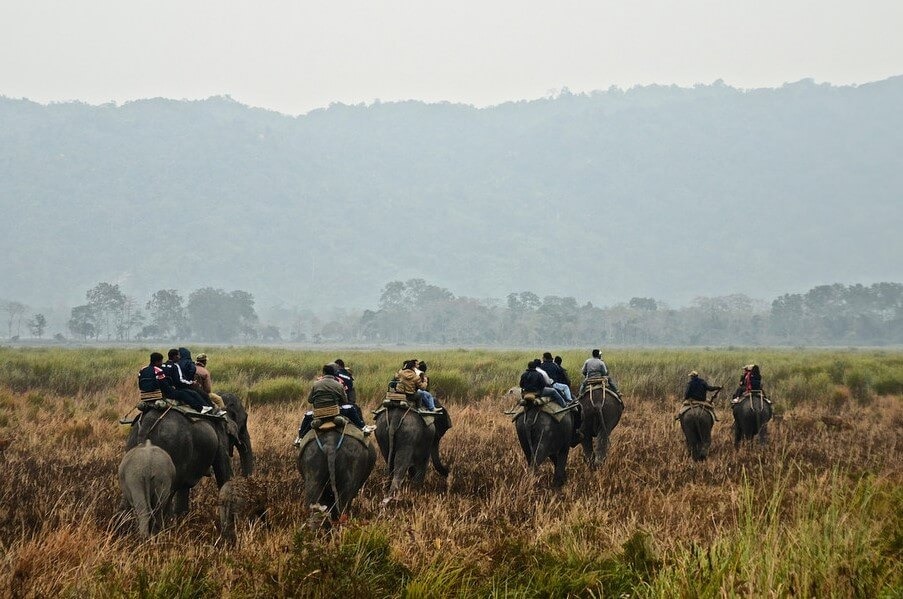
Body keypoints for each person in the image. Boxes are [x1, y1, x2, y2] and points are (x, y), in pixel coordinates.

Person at [295, 364, 371, 444]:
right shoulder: (338, 385)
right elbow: (345, 401)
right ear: (333, 374)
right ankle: (363, 427)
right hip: (336, 412)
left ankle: (300, 438)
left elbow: (310, 400)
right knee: (351, 408)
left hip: (318, 414)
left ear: (323, 373)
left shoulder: (315, 384)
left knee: (307, 415)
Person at [140, 351, 206, 412]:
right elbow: (164, 385)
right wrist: (172, 389)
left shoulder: (142, 369)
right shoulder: (158, 370)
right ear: (156, 362)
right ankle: (200, 408)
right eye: (161, 361)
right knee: (183, 394)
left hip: (144, 396)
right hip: (158, 395)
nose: (161, 363)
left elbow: (140, 384)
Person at [334, 358, 365, 424]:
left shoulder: (319, 382)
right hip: (342, 405)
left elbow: (310, 399)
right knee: (356, 409)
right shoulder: (346, 378)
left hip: (323, 409)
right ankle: (362, 427)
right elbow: (349, 397)